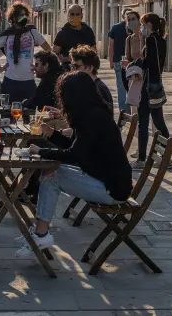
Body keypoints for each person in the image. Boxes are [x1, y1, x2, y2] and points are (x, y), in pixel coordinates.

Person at [15, 71, 133, 256]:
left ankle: (41, 233)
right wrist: (51, 133)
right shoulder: (92, 113)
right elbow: (76, 147)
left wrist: (40, 151)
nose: (61, 100)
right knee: (51, 170)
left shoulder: (92, 118)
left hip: (112, 189)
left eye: (62, 95)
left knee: (51, 174)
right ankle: (40, 232)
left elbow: (73, 155)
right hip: (105, 179)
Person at [128, 13, 171, 170]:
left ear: (148, 25)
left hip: (147, 86)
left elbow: (150, 61)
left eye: (142, 24)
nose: (141, 28)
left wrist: (136, 63)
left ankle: (141, 159)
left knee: (143, 121)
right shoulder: (162, 40)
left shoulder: (151, 40)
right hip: (156, 83)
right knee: (158, 121)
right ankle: (167, 157)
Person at [0, 2, 51, 103]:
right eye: (21, 15)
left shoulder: (32, 32)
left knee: (29, 114)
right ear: (14, 17)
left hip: (28, 81)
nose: (24, 17)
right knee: (7, 113)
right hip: (10, 81)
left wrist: (39, 65)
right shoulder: (7, 34)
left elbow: (48, 49)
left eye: (25, 14)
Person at [70, 45, 114, 112]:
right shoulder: (87, 85)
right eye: (72, 66)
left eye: (76, 66)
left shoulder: (98, 89)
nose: (72, 70)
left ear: (90, 68)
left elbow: (98, 118)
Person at [53, 4, 96, 69]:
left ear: (82, 15)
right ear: (68, 16)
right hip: (68, 69)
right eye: (72, 14)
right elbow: (54, 54)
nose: (75, 16)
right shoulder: (62, 33)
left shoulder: (88, 31)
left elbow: (93, 51)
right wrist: (67, 59)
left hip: (85, 70)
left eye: (77, 14)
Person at [108, 8, 133, 112]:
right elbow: (111, 46)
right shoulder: (136, 28)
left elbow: (111, 46)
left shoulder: (115, 27)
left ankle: (125, 113)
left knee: (121, 88)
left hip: (119, 61)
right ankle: (133, 112)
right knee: (133, 88)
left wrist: (111, 61)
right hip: (131, 62)